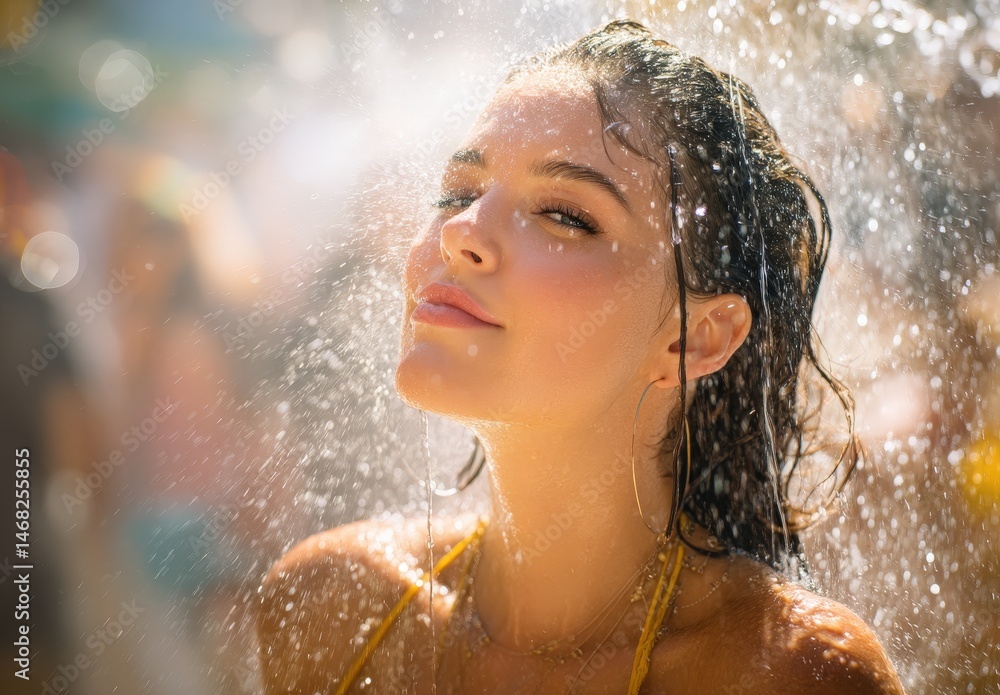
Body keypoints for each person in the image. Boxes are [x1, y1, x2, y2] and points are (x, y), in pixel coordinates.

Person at [256, 19, 906, 694]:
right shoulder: (335, 602)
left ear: (695, 338)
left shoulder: (788, 670)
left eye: (565, 215)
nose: (460, 232)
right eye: (458, 193)